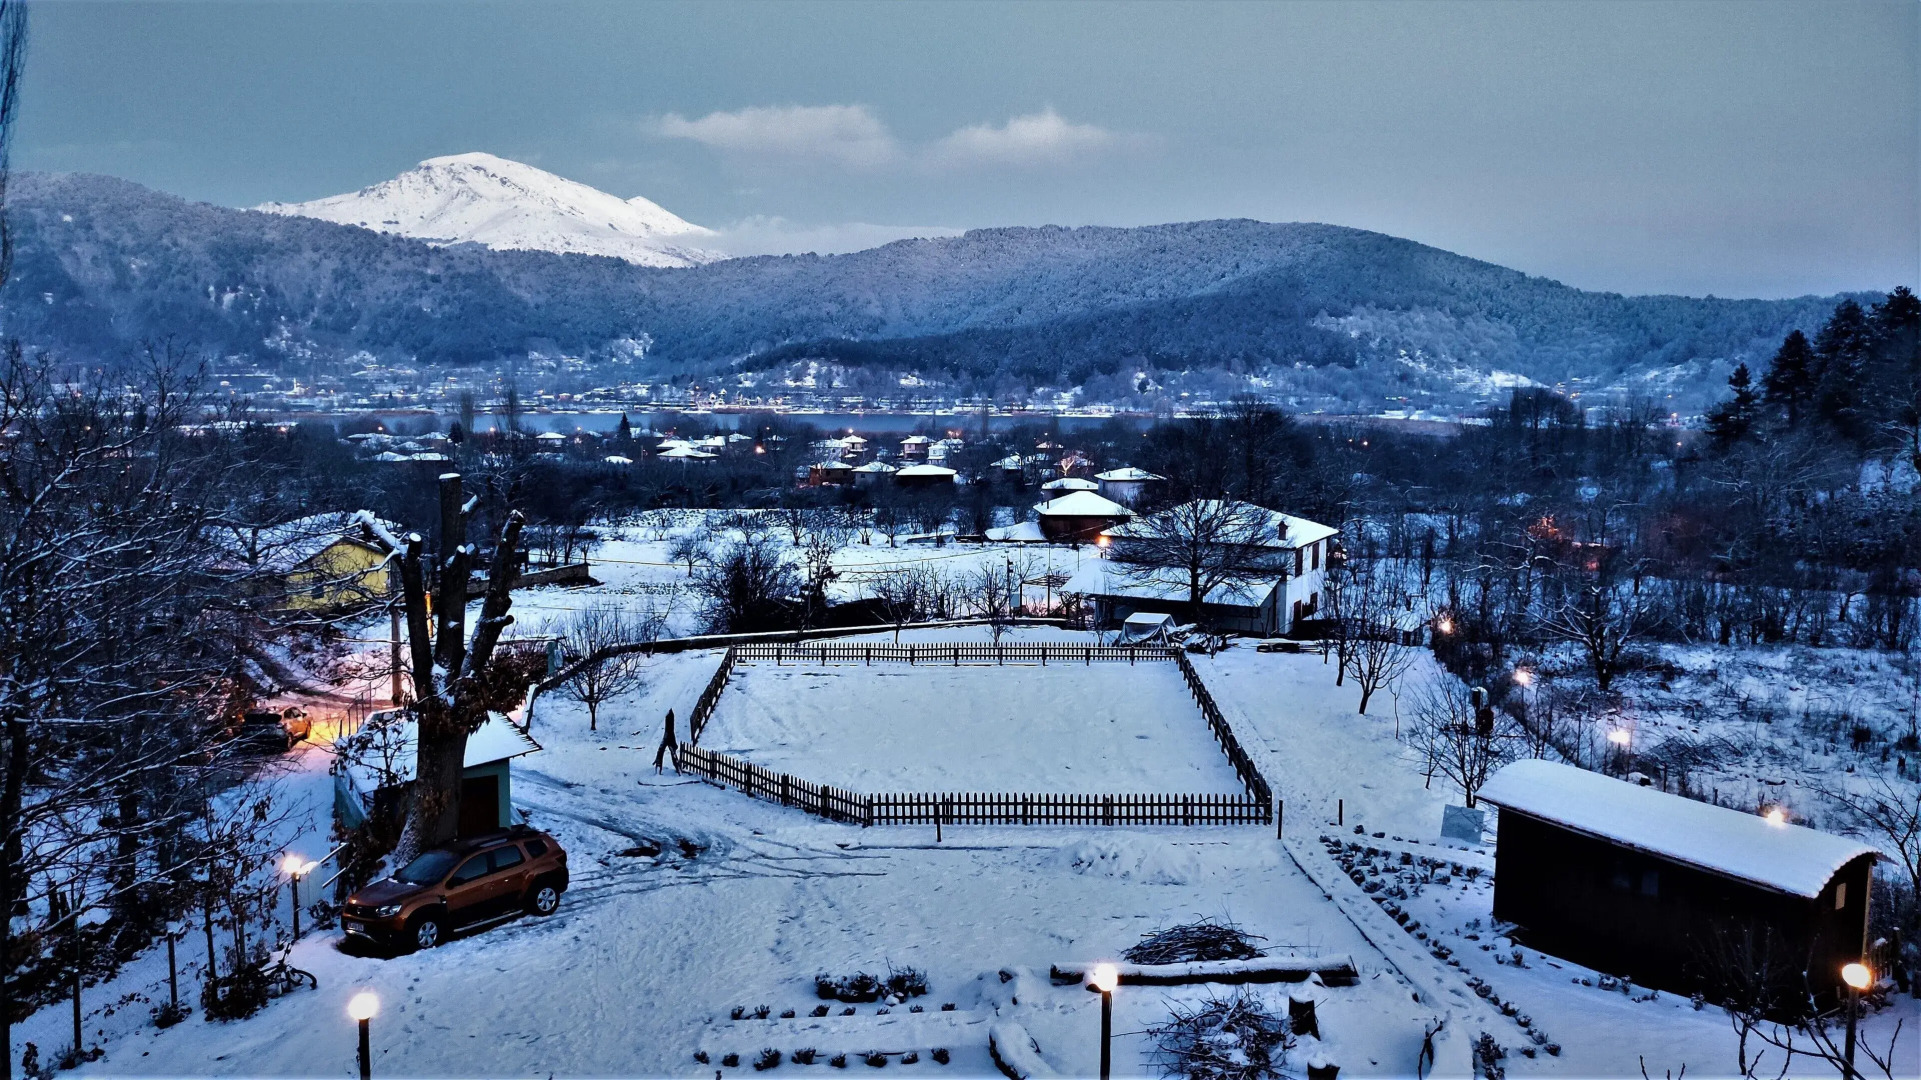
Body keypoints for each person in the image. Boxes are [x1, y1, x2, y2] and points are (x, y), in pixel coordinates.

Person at [653, 708, 678, 774]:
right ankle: (678, 769)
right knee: (671, 753)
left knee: (664, 752)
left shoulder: (669, 714)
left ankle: (678, 769)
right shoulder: (670, 714)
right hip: (669, 735)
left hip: (669, 735)